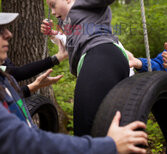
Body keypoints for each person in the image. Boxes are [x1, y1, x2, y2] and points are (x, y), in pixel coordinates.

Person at [41, 0, 143, 136]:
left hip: (101, 56)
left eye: (53, 5)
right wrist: (54, 34)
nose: (52, 12)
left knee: (85, 130)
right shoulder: (74, 22)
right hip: (101, 60)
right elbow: (73, 39)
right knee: (110, 131)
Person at [0, 12, 148, 154]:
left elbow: (13, 93)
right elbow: (25, 142)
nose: (9, 34)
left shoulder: (7, 80)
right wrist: (110, 145)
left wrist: (33, 87)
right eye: (0, 30)